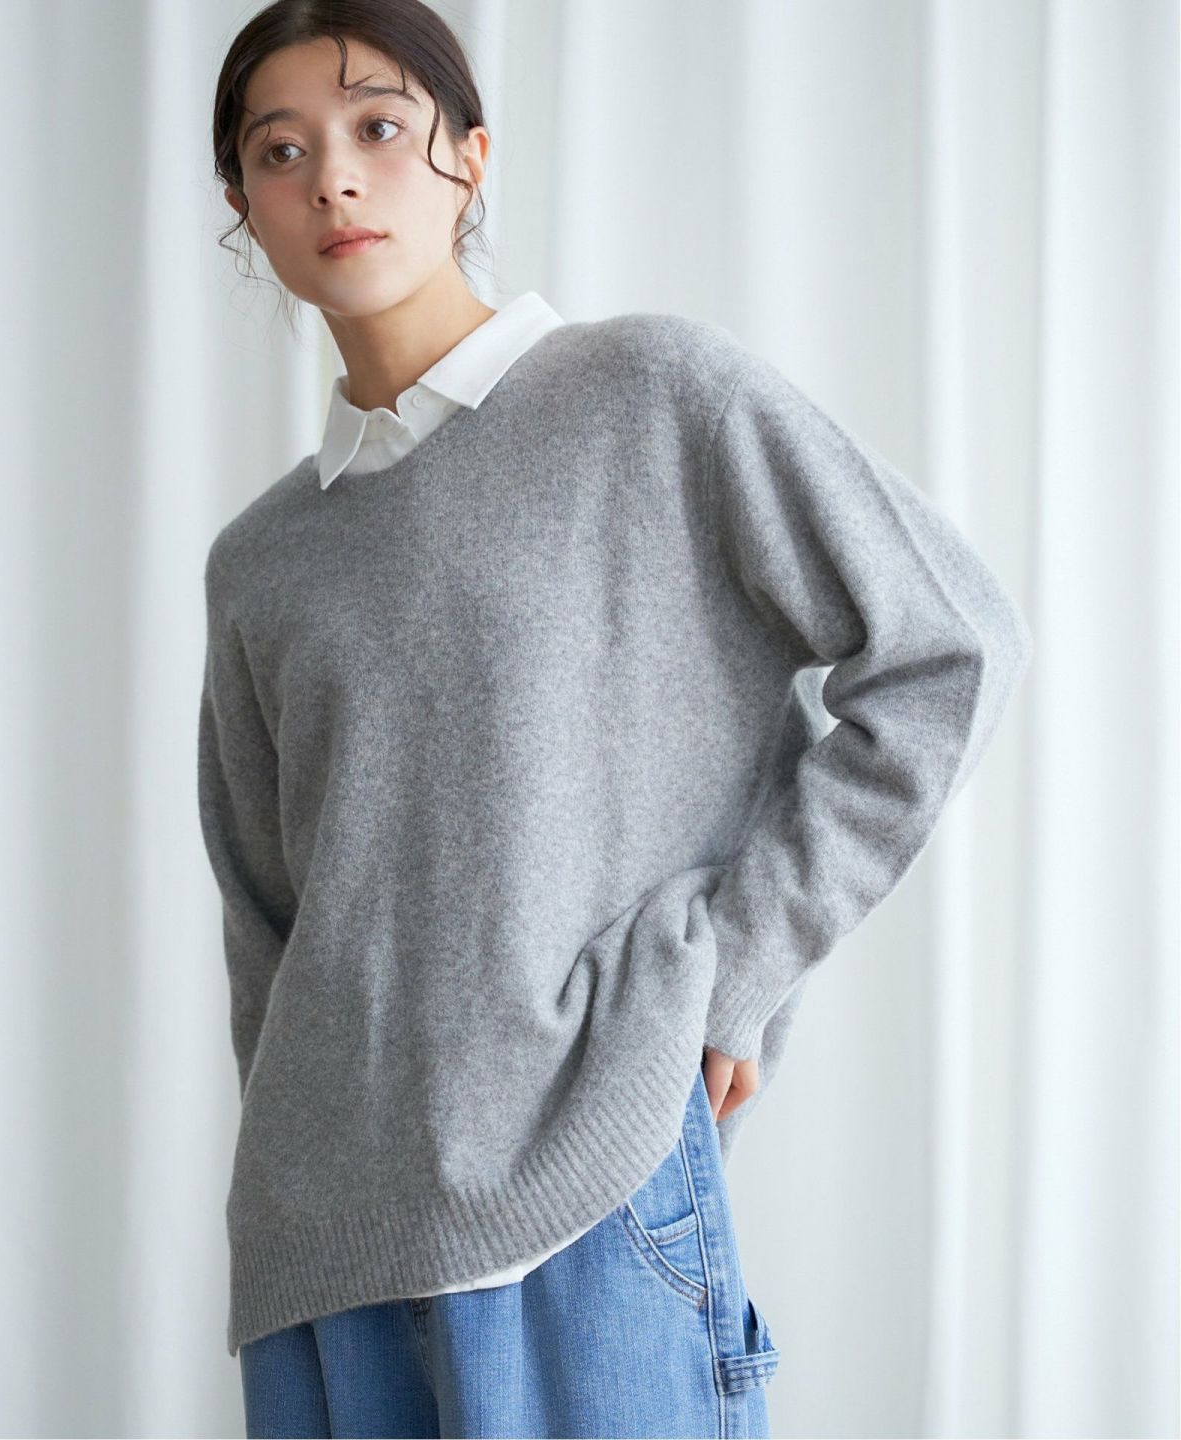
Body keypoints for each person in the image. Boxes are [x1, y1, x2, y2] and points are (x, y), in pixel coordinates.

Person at [198, 2, 1033, 1435]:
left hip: (584, 1187)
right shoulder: (261, 558)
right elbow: (265, 921)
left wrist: (738, 963)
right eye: (283, 151)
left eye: (380, 128)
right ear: (245, 208)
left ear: (470, 157)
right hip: (321, 1249)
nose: (333, 178)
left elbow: (945, 645)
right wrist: (288, 1194)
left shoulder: (649, 394)